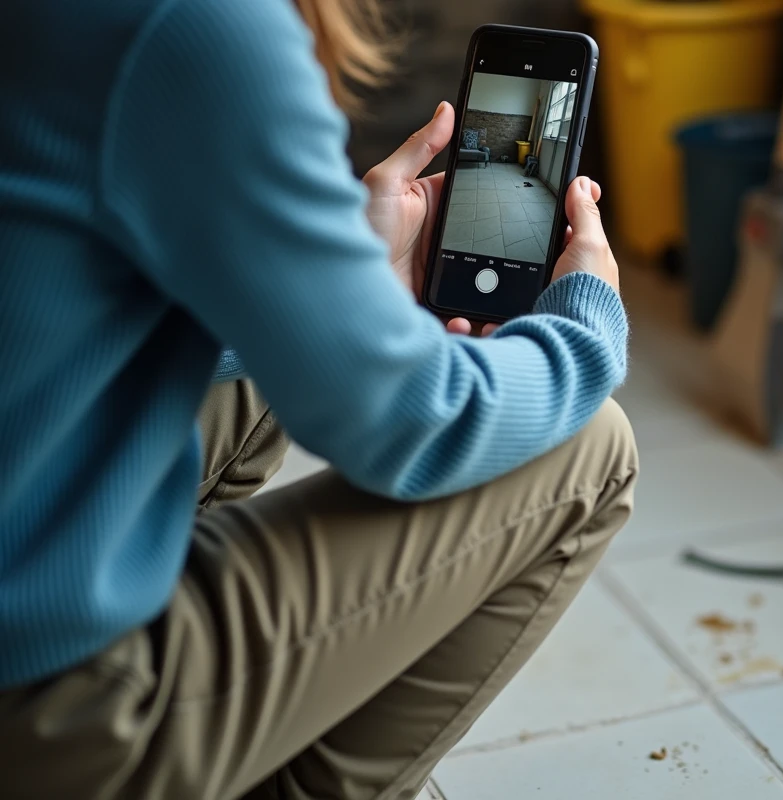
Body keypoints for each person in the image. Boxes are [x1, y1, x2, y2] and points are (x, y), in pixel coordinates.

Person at [0, 0, 637, 797]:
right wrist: (587, 323)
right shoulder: (194, 26)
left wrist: (339, 286)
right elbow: (415, 423)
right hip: (41, 696)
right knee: (590, 448)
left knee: (264, 357)